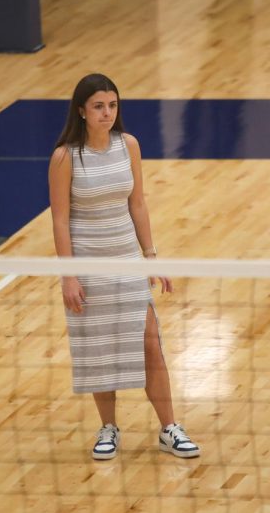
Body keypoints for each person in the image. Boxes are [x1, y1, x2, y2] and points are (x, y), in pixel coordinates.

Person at [48, 73, 199, 461]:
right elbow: (60, 220)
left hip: (126, 260)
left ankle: (169, 428)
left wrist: (151, 257)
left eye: (112, 105)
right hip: (88, 263)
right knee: (100, 349)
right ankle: (108, 428)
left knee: (151, 343)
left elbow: (138, 204)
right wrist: (69, 276)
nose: (107, 113)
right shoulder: (65, 157)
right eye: (98, 106)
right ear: (81, 111)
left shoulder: (129, 145)